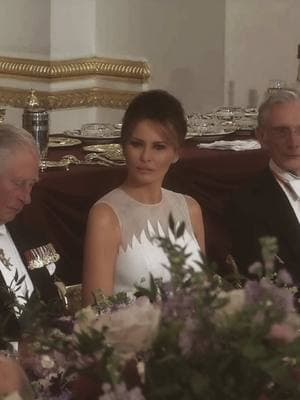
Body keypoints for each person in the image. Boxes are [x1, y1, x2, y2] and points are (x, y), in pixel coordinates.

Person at [82, 90, 205, 303]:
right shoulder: (105, 216)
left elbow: (204, 296)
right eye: (136, 144)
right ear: (123, 146)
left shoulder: (190, 209)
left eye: (159, 147)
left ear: (176, 153)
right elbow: (95, 312)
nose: (146, 157)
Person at [226, 89, 300, 284]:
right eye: (282, 131)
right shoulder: (246, 204)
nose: (294, 142)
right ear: (262, 136)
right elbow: (262, 284)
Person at [0, 124, 61, 340]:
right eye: (19, 184)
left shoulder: (30, 236)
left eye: (31, 185)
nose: (27, 199)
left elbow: (55, 312)